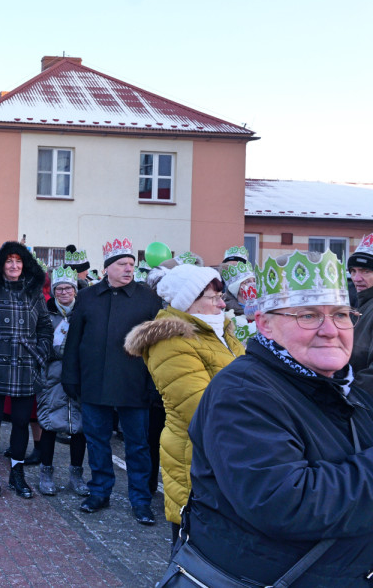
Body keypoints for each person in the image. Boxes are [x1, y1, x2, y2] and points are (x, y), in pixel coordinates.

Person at [179, 250, 373, 585]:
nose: (330, 330)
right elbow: (284, 501)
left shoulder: (338, 383)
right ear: (265, 324)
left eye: (341, 315)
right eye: (308, 315)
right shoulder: (242, 392)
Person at [123, 264, 243, 544]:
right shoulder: (172, 341)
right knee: (192, 551)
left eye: (220, 296)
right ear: (188, 302)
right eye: (212, 298)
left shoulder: (219, 332)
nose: (222, 303)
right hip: (195, 456)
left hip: (223, 454)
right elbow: (200, 408)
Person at [62, 237, 163, 524]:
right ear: (107, 268)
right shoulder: (88, 297)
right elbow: (74, 341)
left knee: (138, 445)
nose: (128, 268)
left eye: (131, 264)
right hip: (94, 383)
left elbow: (157, 346)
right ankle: (99, 492)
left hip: (136, 385)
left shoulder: (148, 299)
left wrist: (154, 383)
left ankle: (141, 499)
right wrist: (70, 376)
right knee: (97, 441)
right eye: (122, 264)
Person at [0, 241, 52, 499]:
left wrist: (41, 352)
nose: (14, 266)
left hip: (26, 366)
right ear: (1, 264)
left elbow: (45, 328)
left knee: (21, 422)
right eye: (8, 261)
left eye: (18, 261)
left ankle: (17, 473)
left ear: (24, 264)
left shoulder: (34, 292)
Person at [36, 266, 89, 496]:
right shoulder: (45, 314)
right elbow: (39, 342)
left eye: (68, 288)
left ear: (75, 290)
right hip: (51, 376)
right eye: (59, 289)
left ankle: (76, 474)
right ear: (54, 291)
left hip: (78, 375)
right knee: (48, 424)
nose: (64, 292)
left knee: (79, 426)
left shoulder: (84, 312)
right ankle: (45, 471)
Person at [348, 234, 373, 393]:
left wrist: (348, 395)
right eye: (353, 271)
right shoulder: (356, 304)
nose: (357, 278)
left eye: (366, 271)